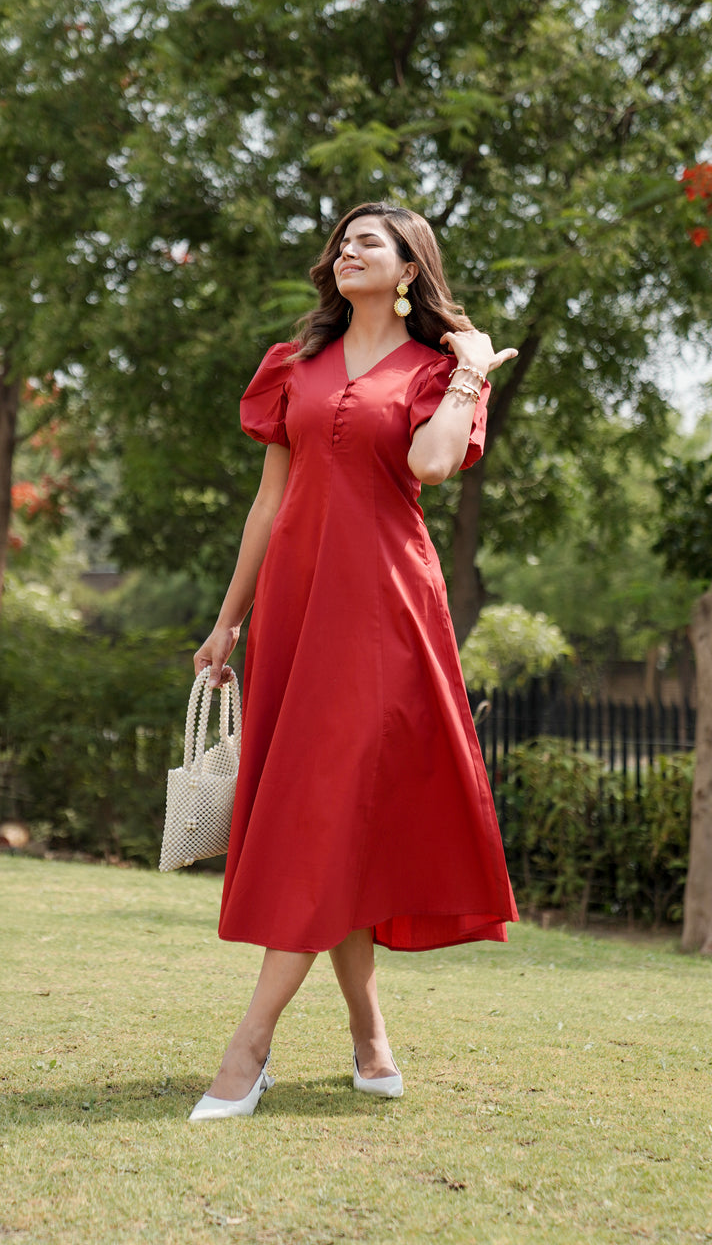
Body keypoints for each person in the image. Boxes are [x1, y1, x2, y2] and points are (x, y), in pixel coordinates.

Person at [187, 201, 519, 1122]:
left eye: (367, 242)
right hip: (296, 608)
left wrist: (469, 374)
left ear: (410, 266)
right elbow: (267, 506)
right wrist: (230, 621)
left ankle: (247, 1050)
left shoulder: (440, 370)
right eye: (340, 243)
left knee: (323, 813)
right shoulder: (291, 368)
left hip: (385, 613)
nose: (345, 253)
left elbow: (435, 466)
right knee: (330, 821)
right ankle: (370, 1036)